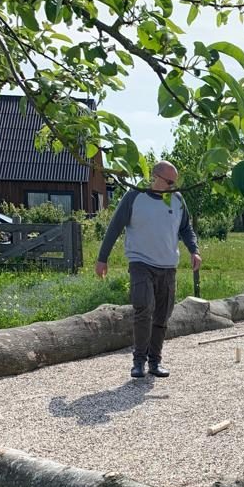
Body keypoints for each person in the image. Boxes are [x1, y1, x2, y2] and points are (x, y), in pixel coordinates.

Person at [95, 161, 201, 379]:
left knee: (163, 315)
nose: (173, 186)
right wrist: (102, 258)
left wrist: (194, 250)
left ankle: (155, 361)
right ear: (155, 177)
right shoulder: (135, 197)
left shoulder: (178, 199)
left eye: (175, 182)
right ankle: (138, 362)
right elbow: (115, 226)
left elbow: (186, 228)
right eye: (169, 182)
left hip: (168, 266)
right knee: (144, 308)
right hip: (140, 263)